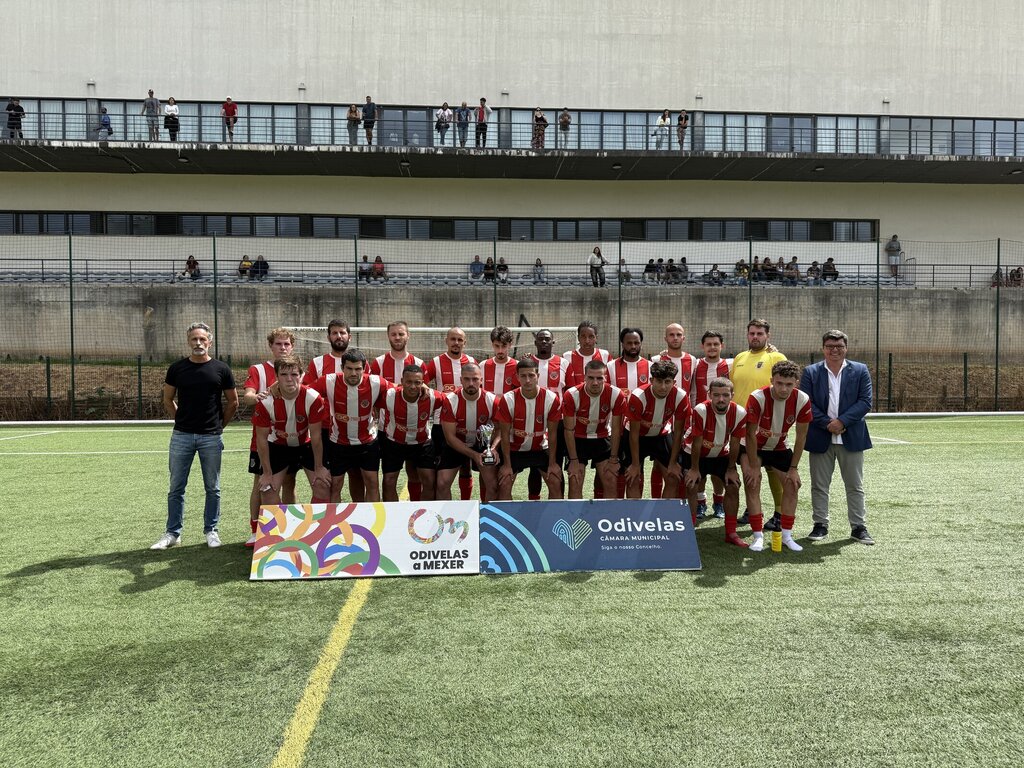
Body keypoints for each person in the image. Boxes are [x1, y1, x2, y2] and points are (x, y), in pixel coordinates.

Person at [151, 322, 238, 550]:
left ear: (210, 341)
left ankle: (211, 531)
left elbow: (233, 402)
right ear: (188, 341)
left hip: (211, 437)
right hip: (181, 436)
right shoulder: (177, 368)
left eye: (202, 339)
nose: (198, 343)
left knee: (213, 487)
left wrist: (219, 426)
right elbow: (167, 399)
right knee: (176, 487)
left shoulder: (222, 369)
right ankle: (173, 533)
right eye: (194, 339)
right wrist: (181, 420)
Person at [800, 330, 874, 545]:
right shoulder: (811, 372)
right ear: (823, 348)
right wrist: (827, 424)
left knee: (855, 486)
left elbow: (865, 401)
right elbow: (806, 402)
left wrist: (841, 422)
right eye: (830, 346)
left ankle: (858, 527)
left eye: (839, 346)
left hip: (851, 436)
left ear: (846, 348)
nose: (835, 350)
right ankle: (820, 525)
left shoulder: (860, 370)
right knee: (819, 485)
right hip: (820, 436)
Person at [742, 361, 812, 552]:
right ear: (771, 380)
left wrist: (794, 468)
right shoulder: (758, 397)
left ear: (796, 383)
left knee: (792, 485)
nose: (783, 388)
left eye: (789, 384)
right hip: (753, 446)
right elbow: (749, 434)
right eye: (779, 383)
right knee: (752, 482)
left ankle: (787, 536)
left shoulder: (802, 399)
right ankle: (757, 536)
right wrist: (754, 466)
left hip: (779, 446)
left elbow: (801, 436)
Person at [252, 355, 331, 510]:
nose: (289, 379)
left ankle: (316, 525)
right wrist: (267, 472)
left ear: (301, 376)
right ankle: (281, 525)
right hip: (278, 447)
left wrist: (319, 467)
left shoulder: (313, 398)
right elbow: (261, 439)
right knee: (267, 491)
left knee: (323, 484)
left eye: (294, 374)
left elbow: (316, 436)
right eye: (283, 374)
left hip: (306, 445)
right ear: (276, 377)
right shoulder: (266, 401)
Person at [731, 318, 788, 529]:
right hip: (743, 425)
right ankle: (752, 509)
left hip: (769, 425)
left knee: (774, 469)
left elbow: (785, 387)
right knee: (749, 470)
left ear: (767, 336)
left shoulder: (776, 357)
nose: (755, 337)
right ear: (747, 335)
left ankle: (779, 513)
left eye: (760, 333)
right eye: (752, 333)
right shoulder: (739, 357)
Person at [243, 327, 298, 543]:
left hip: (290, 438)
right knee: (261, 482)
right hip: (264, 439)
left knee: (290, 482)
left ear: (292, 346)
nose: (283, 348)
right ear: (270, 346)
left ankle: (290, 526)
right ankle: (256, 529)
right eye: (278, 344)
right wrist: (256, 396)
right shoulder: (258, 370)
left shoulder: (297, 370)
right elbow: (248, 396)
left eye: (286, 344)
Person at [303, 320, 367, 503]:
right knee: (327, 479)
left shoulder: (360, 362)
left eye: (342, 333)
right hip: (325, 430)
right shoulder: (317, 363)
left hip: (353, 430)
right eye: (334, 333)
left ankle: (359, 513)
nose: (339, 336)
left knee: (357, 475)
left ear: (349, 336)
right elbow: (306, 392)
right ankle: (329, 516)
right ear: (328, 337)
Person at [312, 349, 389, 503]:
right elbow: (304, 392)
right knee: (335, 485)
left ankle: (373, 518)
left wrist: (424, 387)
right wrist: (276, 388)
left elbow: (399, 390)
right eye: (349, 368)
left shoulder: (376, 382)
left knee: (372, 483)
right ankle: (334, 517)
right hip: (338, 443)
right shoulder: (328, 381)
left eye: (358, 369)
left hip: (367, 442)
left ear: (364, 368)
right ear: (342, 368)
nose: (353, 373)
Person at [682, 377, 746, 544]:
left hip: (721, 455)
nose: (721, 399)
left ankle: (731, 533)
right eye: (716, 395)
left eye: (725, 395)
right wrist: (694, 469)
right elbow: (696, 442)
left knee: (733, 485)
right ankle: (689, 530)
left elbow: (735, 443)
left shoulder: (739, 412)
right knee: (691, 484)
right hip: (695, 454)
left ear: (732, 395)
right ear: (709, 395)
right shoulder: (701, 409)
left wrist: (731, 469)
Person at [495, 357, 564, 500]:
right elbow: (505, 435)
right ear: (517, 377)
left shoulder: (551, 398)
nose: (527, 380)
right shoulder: (508, 399)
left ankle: (554, 514)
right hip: (515, 449)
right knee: (504, 483)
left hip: (540, 448)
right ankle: (506, 515)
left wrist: (552, 463)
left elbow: (552, 434)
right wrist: (507, 465)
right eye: (523, 376)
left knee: (555, 481)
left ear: (537, 376)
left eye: (531, 375)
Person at [423, 327, 478, 500]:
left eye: (460, 340)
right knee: (442, 467)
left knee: (466, 466)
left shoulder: (472, 361)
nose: (456, 343)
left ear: (464, 342)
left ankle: (465, 503)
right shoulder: (436, 362)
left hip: (468, 422)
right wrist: (439, 398)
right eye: (453, 339)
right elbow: (423, 384)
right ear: (446, 341)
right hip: (441, 422)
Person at [623, 359, 689, 499]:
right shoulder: (638, 396)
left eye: (667, 382)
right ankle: (635, 514)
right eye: (659, 381)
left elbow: (678, 433)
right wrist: (635, 464)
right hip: (637, 437)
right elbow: (634, 434)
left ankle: (663, 513)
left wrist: (673, 463)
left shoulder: (681, 396)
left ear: (674, 382)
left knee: (673, 477)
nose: (663, 387)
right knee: (633, 478)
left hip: (661, 435)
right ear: (651, 380)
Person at [378, 365, 443, 502]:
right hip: (394, 442)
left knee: (429, 480)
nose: (413, 386)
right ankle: (392, 514)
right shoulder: (389, 395)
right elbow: (368, 396)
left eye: (417, 382)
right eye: (408, 382)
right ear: (402, 381)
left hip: (422, 443)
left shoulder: (432, 396)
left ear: (423, 383)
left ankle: (424, 513)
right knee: (388, 481)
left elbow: (454, 398)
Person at [562, 359, 626, 499]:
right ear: (584, 377)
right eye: (591, 378)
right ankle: (575, 514)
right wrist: (573, 460)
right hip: (578, 439)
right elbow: (568, 430)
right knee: (575, 480)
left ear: (605, 378)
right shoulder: (572, 394)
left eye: (599, 378)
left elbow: (616, 429)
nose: (595, 382)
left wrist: (613, 459)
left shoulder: (616, 394)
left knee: (610, 480)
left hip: (602, 438)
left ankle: (607, 513)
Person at [437, 363, 499, 501]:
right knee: (442, 483)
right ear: (461, 380)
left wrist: (494, 448)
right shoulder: (451, 400)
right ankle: (449, 514)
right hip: (457, 444)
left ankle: (487, 514)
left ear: (481, 380)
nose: (471, 383)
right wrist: (474, 455)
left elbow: (501, 429)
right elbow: (450, 438)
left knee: (493, 485)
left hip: (483, 445)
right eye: (467, 379)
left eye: (475, 379)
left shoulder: (492, 400)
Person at [692, 331, 734, 518]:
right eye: (708, 344)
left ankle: (719, 503)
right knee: (700, 464)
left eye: (716, 344)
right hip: (700, 420)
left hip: (723, 420)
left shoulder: (731, 364)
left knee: (718, 466)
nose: (712, 347)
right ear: (703, 346)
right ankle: (701, 503)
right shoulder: (695, 364)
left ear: (721, 346)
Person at [563, 320, 611, 390]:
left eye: (591, 336)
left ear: (596, 338)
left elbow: (609, 382)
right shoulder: (567, 356)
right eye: (583, 336)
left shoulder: (605, 355)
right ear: (578, 338)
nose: (587, 341)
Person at [482, 326, 520, 397]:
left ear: (510, 345)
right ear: (492, 345)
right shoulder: (483, 365)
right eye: (497, 346)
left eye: (504, 346)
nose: (500, 350)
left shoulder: (517, 366)